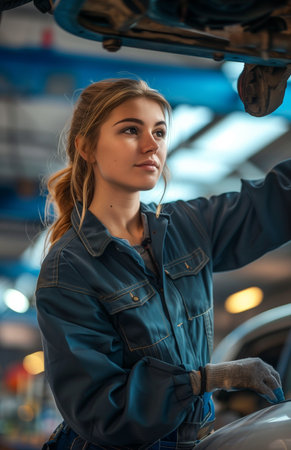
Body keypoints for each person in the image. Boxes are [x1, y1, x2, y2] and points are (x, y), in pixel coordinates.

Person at [36, 78, 289, 450]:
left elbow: (274, 204)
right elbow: (103, 413)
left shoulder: (187, 228)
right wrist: (206, 380)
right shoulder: (68, 270)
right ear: (87, 147)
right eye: (130, 130)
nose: (151, 144)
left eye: (159, 131)